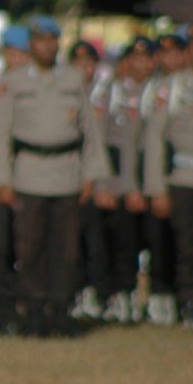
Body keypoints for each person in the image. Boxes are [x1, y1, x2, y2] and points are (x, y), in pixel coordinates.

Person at [0, 15, 109, 337]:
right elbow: (0, 134)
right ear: (31, 44)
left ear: (57, 44)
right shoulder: (14, 81)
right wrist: (2, 180)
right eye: (40, 40)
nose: (46, 46)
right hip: (28, 173)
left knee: (66, 248)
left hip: (66, 172)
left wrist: (90, 175)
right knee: (30, 247)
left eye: (51, 40)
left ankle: (60, 309)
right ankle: (34, 310)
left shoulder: (72, 79)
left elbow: (89, 130)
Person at [143, 29, 193, 327]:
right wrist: (156, 187)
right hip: (183, 177)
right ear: (189, 52)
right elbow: (154, 136)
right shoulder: (173, 86)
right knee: (187, 244)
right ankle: (189, 301)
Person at [98, 38, 156, 324]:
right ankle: (122, 296)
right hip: (121, 172)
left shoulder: (160, 90)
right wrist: (110, 183)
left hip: (155, 170)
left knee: (154, 239)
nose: (141, 64)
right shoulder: (113, 92)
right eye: (135, 58)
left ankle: (157, 300)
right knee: (123, 238)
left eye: (147, 58)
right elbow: (106, 141)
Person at [140, 34, 187, 324]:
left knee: (186, 241)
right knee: (158, 239)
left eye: (175, 53)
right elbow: (152, 141)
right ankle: (160, 296)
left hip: (187, 174)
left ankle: (184, 297)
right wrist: (155, 186)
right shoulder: (155, 89)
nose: (169, 59)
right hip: (160, 175)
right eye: (164, 54)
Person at [69, 40, 112, 320]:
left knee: (98, 242)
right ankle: (77, 292)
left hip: (100, 179)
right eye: (79, 63)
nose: (85, 69)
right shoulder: (65, 93)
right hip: (69, 177)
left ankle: (99, 295)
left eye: (89, 63)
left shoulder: (107, 92)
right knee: (72, 243)